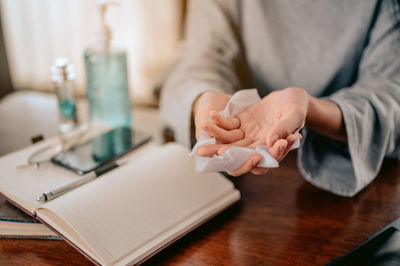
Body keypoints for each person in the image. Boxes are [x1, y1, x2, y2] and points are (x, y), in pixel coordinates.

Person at [160, 0, 400, 197]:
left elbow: (390, 94)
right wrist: (206, 101)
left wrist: (312, 109)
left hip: (361, 183)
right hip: (246, 190)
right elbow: (200, 60)